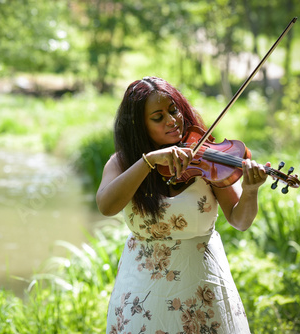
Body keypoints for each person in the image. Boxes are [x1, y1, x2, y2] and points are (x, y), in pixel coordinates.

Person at [97, 76, 270, 333]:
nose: (172, 120)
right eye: (158, 117)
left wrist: (250, 190)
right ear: (138, 125)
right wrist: (149, 161)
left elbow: (240, 221)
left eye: (173, 109)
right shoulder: (123, 163)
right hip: (142, 292)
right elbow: (106, 206)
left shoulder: (208, 157)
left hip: (202, 288)